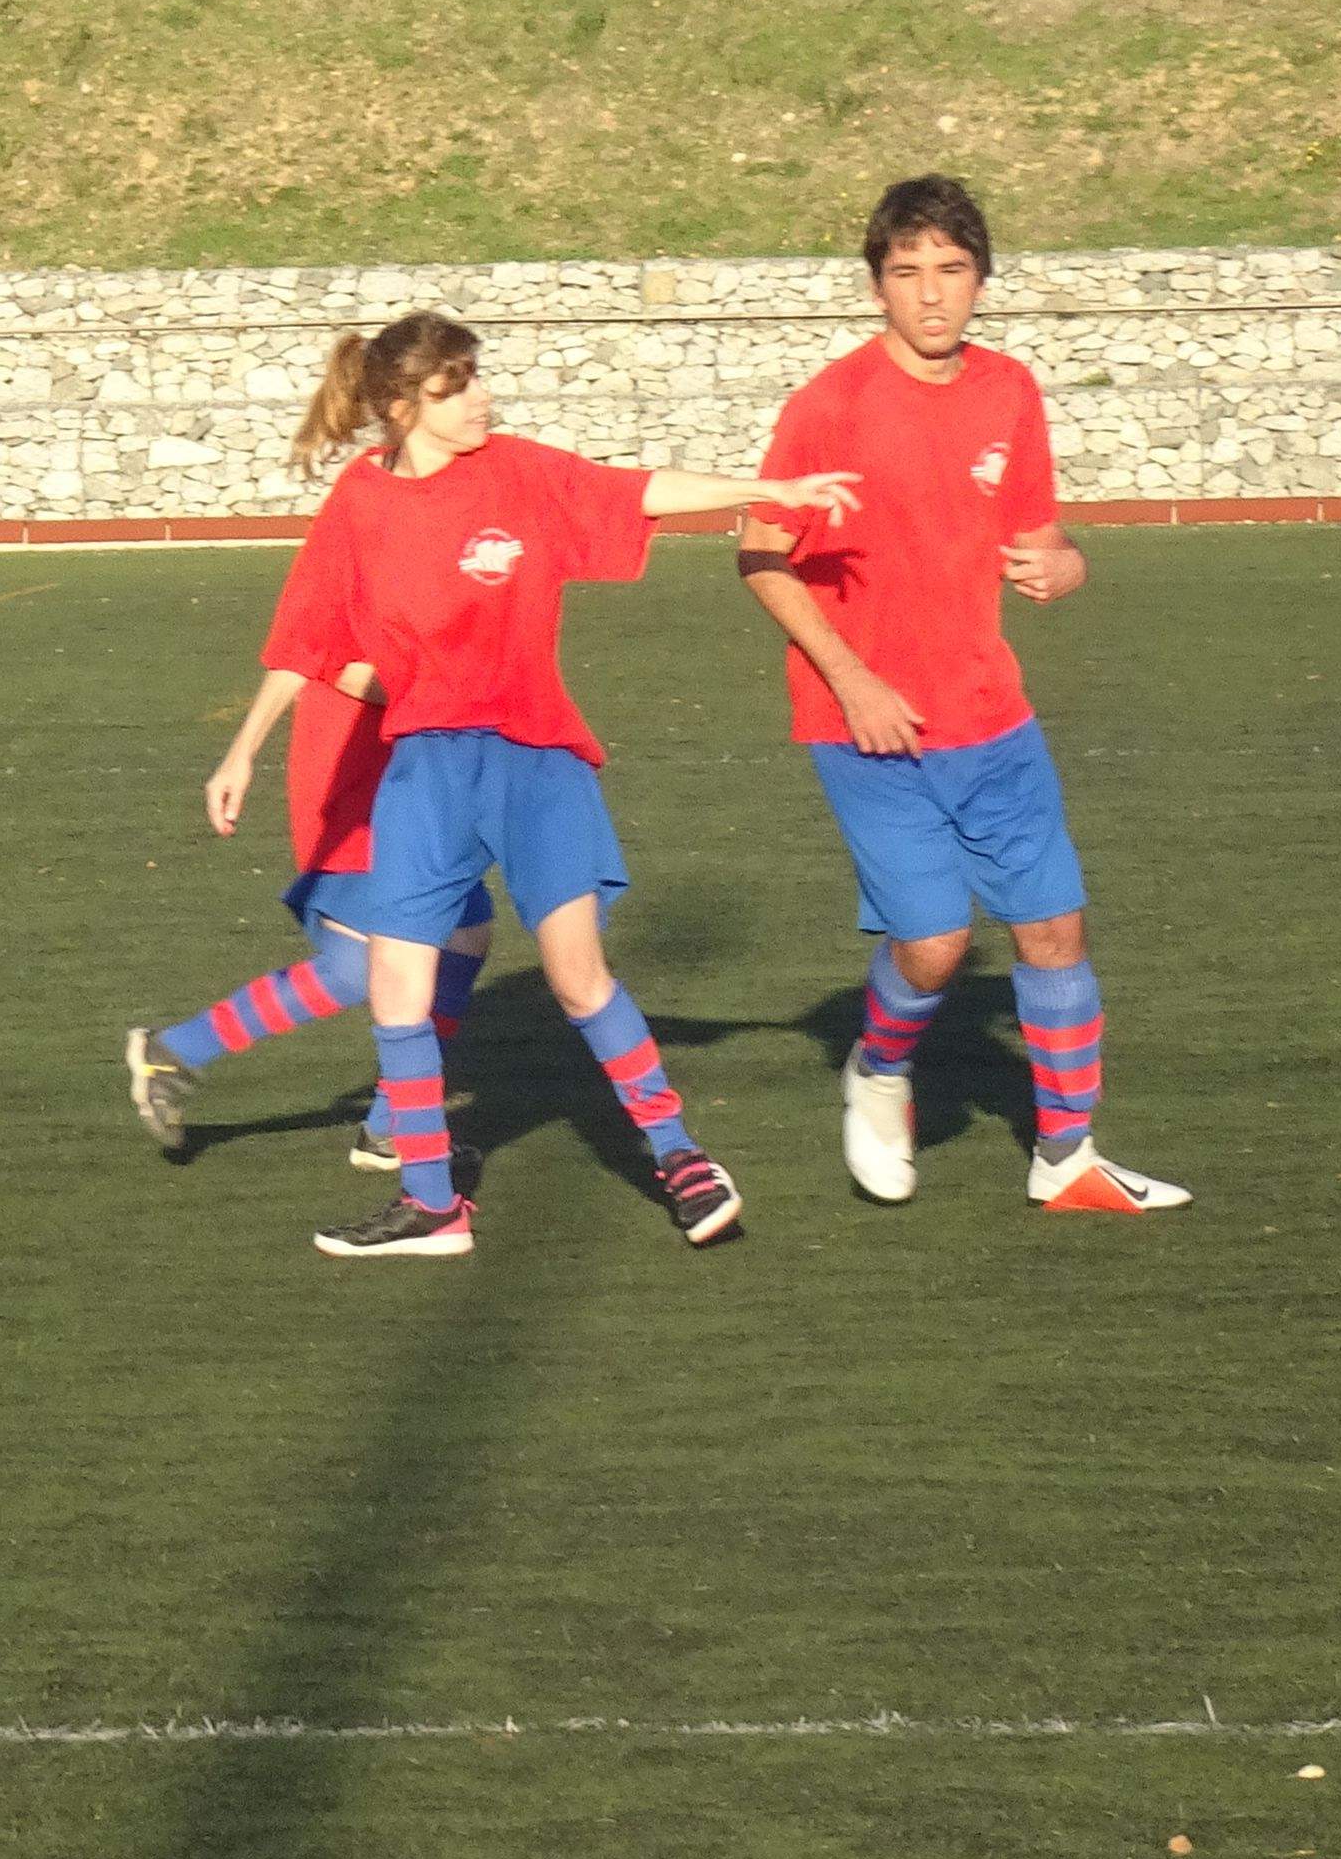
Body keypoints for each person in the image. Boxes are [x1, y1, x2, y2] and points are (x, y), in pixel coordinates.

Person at [280, 311, 861, 1261]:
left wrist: (768, 485)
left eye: (477, 379)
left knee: (576, 974)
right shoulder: (360, 497)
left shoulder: (517, 470)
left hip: (533, 755)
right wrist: (369, 705)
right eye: (454, 388)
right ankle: (431, 1206)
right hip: (425, 766)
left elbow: (635, 492)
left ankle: (679, 1156)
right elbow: (314, 639)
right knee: (396, 983)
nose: (482, 400)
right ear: (400, 408)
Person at [739, 177, 1187, 1216]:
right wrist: (851, 680)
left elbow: (1039, 535)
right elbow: (762, 557)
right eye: (907, 274)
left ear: (981, 280)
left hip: (992, 717)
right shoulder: (830, 405)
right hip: (869, 725)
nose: (931, 295)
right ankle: (881, 1067)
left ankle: (1066, 1156)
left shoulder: (1009, 392)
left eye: (951, 271)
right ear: (876, 286)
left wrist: (1066, 567)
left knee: (1053, 931)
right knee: (936, 943)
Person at [128, 590, 491, 1178]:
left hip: (413, 783)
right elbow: (333, 665)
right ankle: (177, 1051)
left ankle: (390, 1125)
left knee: (465, 933)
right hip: (358, 789)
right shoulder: (365, 540)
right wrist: (240, 752)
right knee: (363, 965)